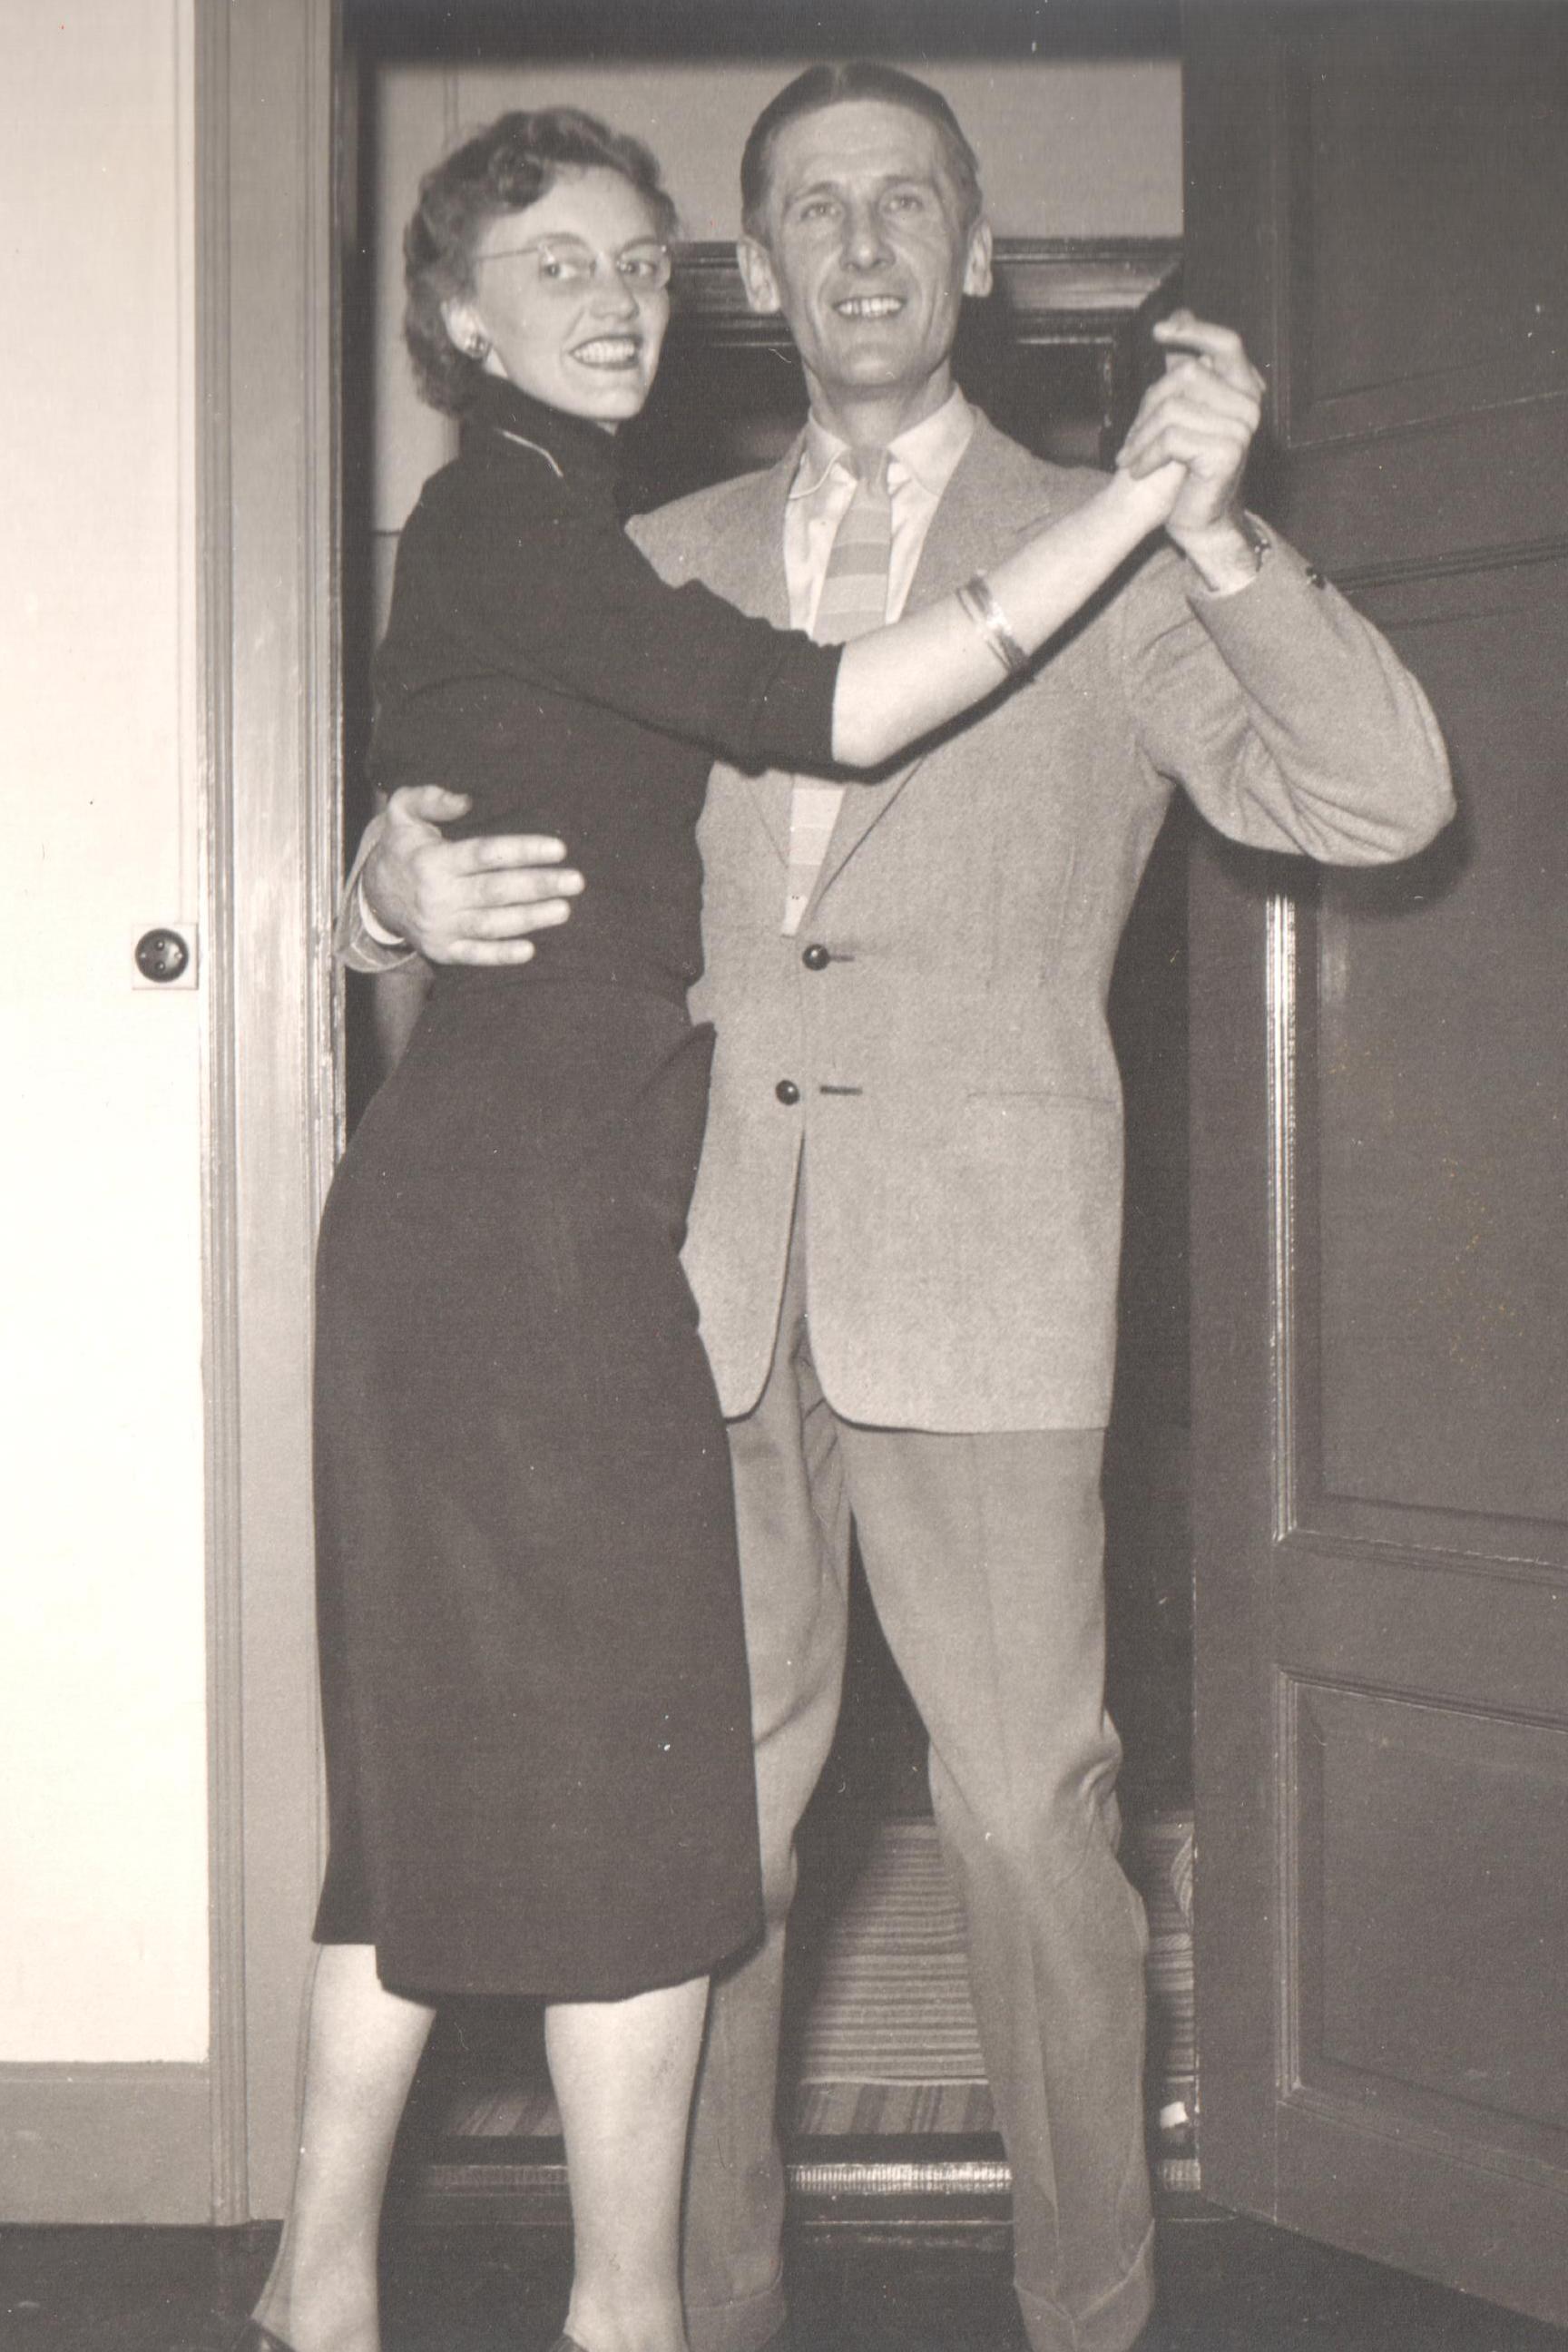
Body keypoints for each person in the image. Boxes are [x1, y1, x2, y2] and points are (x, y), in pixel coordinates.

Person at [346, 65, 1455, 2352]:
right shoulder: (641, 550)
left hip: (987, 1271)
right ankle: (708, 2308)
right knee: (703, 1847)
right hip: (681, 1272)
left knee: (1032, 1827)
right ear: (758, 271)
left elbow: (1378, 801)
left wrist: (1217, 528)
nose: (860, 247)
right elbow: (457, 816)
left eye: (907, 205)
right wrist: (374, 898)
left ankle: (1089, 2311)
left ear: (977, 254)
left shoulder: (1108, 541)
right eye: (812, 212)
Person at [242, 100, 1194, 2352]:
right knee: (645, 1817)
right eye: (550, 267)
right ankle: (630, 2316)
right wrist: (1142, 494)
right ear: (459, 319)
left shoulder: (555, 535)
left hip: (568, 1217)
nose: (609, 299)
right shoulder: (537, 521)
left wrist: (386, 874)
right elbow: (825, 707)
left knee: (461, 1790)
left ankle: (328, 2286)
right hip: (564, 1238)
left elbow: (483, 765)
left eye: (630, 262)